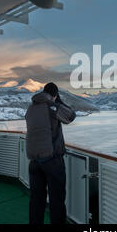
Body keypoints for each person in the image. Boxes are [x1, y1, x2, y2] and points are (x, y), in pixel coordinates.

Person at [25, 82, 76, 224]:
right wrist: (58, 102)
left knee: (36, 200)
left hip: (34, 162)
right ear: (54, 95)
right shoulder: (51, 107)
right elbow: (71, 116)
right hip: (52, 161)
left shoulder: (30, 108)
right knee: (57, 200)